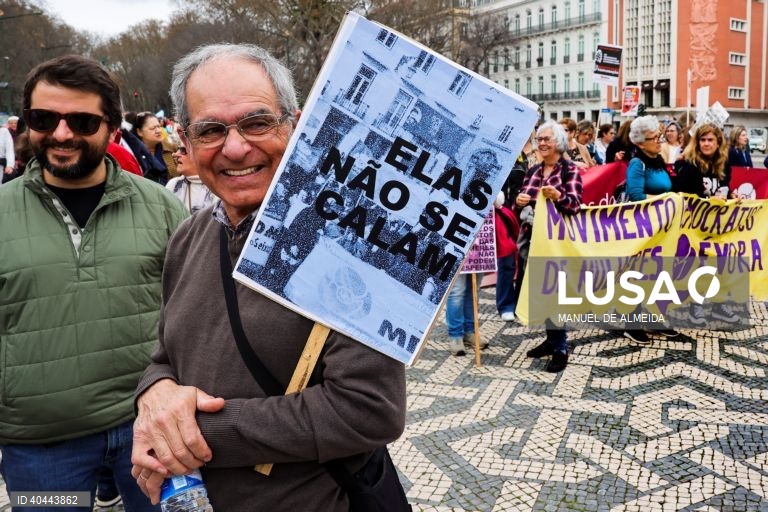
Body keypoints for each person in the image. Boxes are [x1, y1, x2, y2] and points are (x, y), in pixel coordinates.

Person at [130, 43, 406, 511]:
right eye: (211, 130)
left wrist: (193, 433)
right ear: (187, 140)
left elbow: (370, 410)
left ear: (295, 124)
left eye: (257, 123)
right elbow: (165, 356)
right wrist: (154, 395)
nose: (236, 147)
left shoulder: (350, 246)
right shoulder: (188, 236)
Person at [0, 55, 188, 511]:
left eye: (82, 121)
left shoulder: (162, 207)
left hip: (152, 433)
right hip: (41, 449)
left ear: (112, 129)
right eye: (43, 119)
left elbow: (194, 313)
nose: (61, 134)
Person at [516, 120, 583, 373]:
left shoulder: (569, 171)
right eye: (539, 139)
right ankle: (551, 339)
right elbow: (521, 204)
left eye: (547, 139)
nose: (542, 143)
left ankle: (560, 347)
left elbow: (575, 206)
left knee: (556, 293)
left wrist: (559, 197)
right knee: (542, 291)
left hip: (557, 243)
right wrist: (519, 201)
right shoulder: (533, 171)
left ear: (559, 142)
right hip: (532, 241)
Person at [673, 123, 740, 326]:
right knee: (698, 266)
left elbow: (723, 188)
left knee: (719, 264)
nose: (706, 144)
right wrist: (708, 201)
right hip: (694, 227)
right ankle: (696, 307)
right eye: (702, 140)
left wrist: (731, 195)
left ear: (718, 142)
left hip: (717, 226)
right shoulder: (691, 165)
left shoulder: (723, 165)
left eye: (710, 140)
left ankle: (719, 306)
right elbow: (682, 195)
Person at [622, 115, 679, 342]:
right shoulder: (638, 163)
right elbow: (635, 195)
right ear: (640, 143)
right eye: (652, 138)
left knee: (657, 273)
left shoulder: (657, 160)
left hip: (660, 227)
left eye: (658, 136)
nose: (658, 140)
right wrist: (667, 199)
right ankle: (632, 322)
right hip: (642, 226)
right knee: (638, 273)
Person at [165, 144, 217, 213]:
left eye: (183, 150)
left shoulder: (219, 186)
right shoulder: (173, 184)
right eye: (178, 149)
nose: (175, 154)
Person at [494, 191, 519, 322]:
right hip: (490, 217)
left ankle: (510, 305)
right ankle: (506, 305)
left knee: (508, 264)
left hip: (506, 215)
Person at [130, 111, 171, 184]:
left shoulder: (172, 148)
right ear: (139, 132)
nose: (158, 131)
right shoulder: (132, 155)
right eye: (153, 128)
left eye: (159, 126)